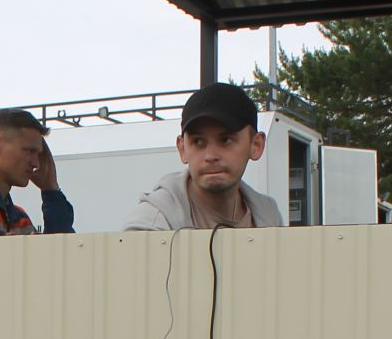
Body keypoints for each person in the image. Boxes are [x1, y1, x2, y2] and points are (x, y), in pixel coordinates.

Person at [120, 83, 284, 231]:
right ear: (182, 149)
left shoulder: (270, 217)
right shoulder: (153, 222)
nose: (211, 156)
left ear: (256, 145)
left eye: (225, 140)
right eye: (198, 141)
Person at [0, 108, 74, 236]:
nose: (36, 163)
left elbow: (60, 251)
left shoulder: (20, 220)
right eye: (29, 151)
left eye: (38, 154)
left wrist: (51, 189)